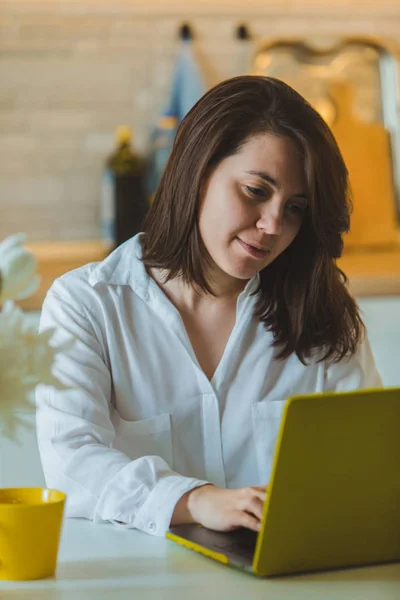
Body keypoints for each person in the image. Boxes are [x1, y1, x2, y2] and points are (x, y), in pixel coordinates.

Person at [36, 76, 382, 537]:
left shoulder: (321, 311)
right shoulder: (86, 305)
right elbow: (72, 462)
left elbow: (369, 465)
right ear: (197, 173)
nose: (272, 224)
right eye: (256, 191)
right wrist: (194, 500)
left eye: (296, 207)